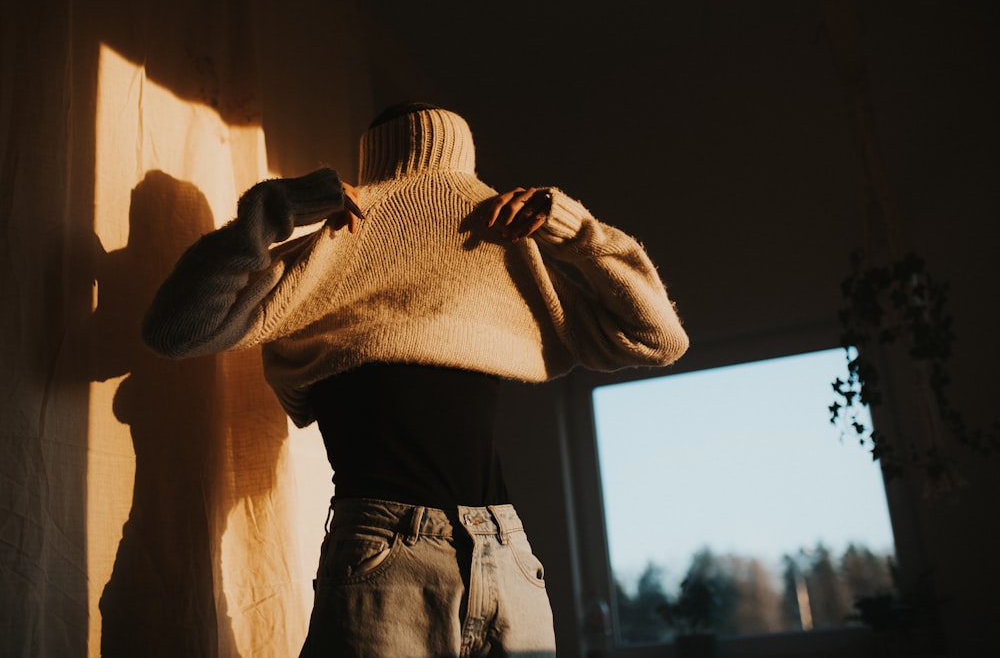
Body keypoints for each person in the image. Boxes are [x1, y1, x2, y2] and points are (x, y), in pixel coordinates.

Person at [142, 102, 689, 657]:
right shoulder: (334, 244)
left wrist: (576, 233)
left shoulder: (505, 238)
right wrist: (279, 207)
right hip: (387, 558)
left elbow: (658, 339)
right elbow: (174, 330)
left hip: (505, 552)